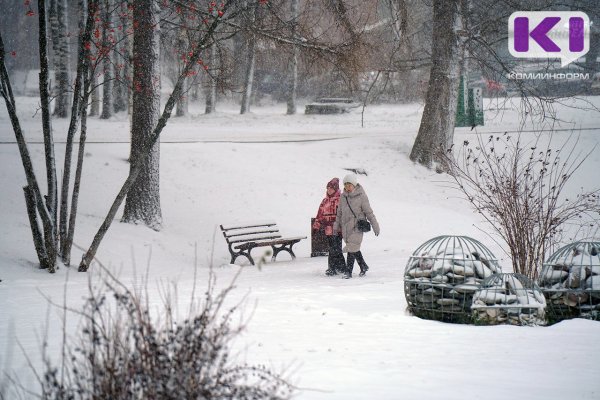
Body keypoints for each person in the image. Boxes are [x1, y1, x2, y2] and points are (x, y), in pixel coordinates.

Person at [334, 174, 380, 278]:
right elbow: (339, 213)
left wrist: (375, 226)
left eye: (349, 184)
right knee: (354, 248)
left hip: (357, 227)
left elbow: (369, 213)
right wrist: (336, 226)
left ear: (354, 185)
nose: (347, 187)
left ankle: (348, 272)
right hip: (346, 228)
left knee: (351, 247)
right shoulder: (343, 196)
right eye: (345, 185)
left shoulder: (361, 196)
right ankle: (363, 266)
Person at [312, 178, 346, 276]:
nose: (329, 190)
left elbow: (345, 214)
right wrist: (316, 226)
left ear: (336, 189)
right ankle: (336, 267)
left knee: (336, 249)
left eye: (331, 188)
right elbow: (320, 215)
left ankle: (337, 267)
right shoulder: (324, 201)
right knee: (332, 248)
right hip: (328, 230)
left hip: (338, 229)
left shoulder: (341, 200)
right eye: (328, 188)